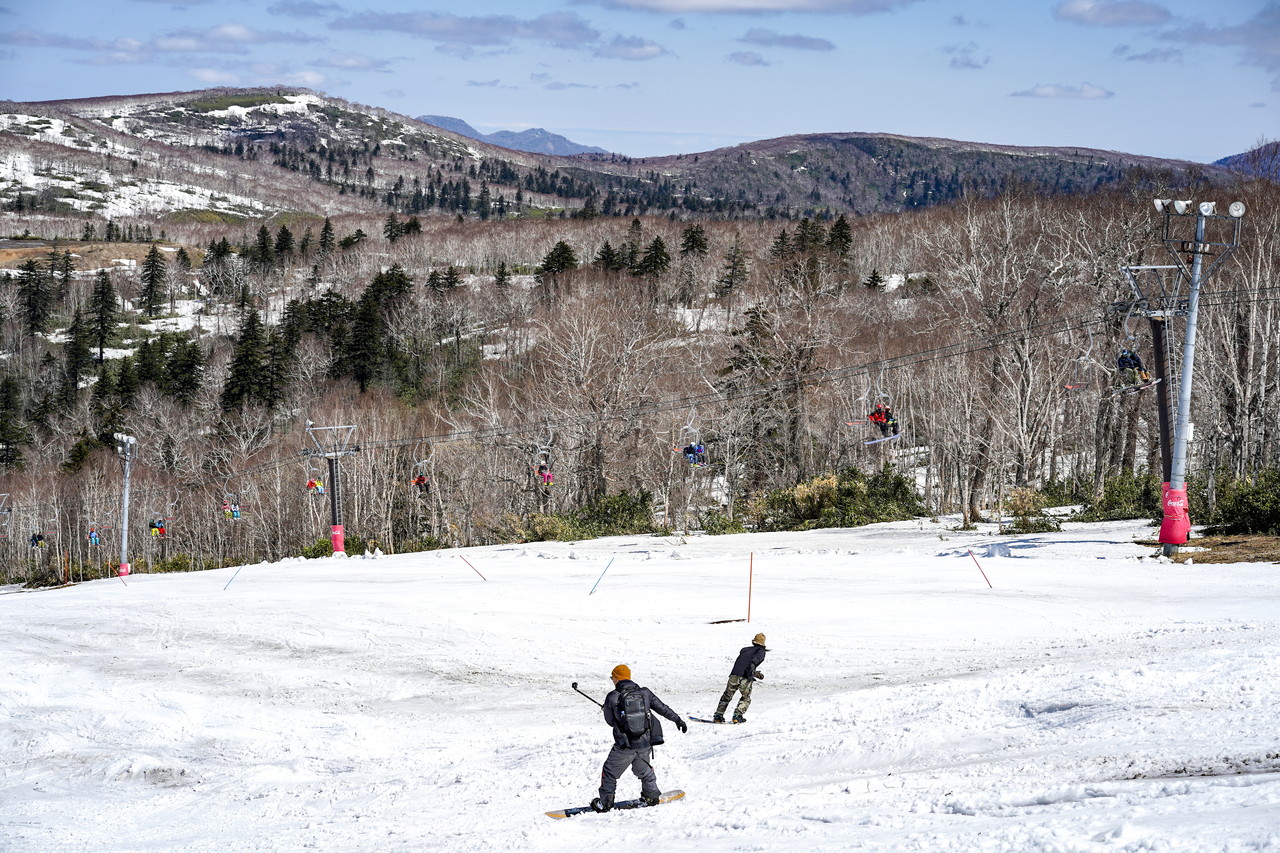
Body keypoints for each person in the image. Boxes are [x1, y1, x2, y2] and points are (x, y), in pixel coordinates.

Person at [591, 664, 687, 813]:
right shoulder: (645, 693)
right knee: (644, 770)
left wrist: (610, 710)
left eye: (612, 677)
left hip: (625, 745)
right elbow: (662, 708)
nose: (612, 680)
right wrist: (678, 720)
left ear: (617, 678)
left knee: (609, 772)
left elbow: (610, 722)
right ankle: (652, 796)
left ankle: (605, 803)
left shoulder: (612, 696)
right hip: (644, 742)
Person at [713, 633, 768, 724]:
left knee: (726, 696)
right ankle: (737, 716)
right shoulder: (761, 651)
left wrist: (754, 672)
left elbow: (745, 663)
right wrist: (752, 674)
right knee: (746, 698)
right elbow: (752, 663)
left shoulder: (745, 650)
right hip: (745, 677)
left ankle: (718, 716)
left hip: (734, 675)